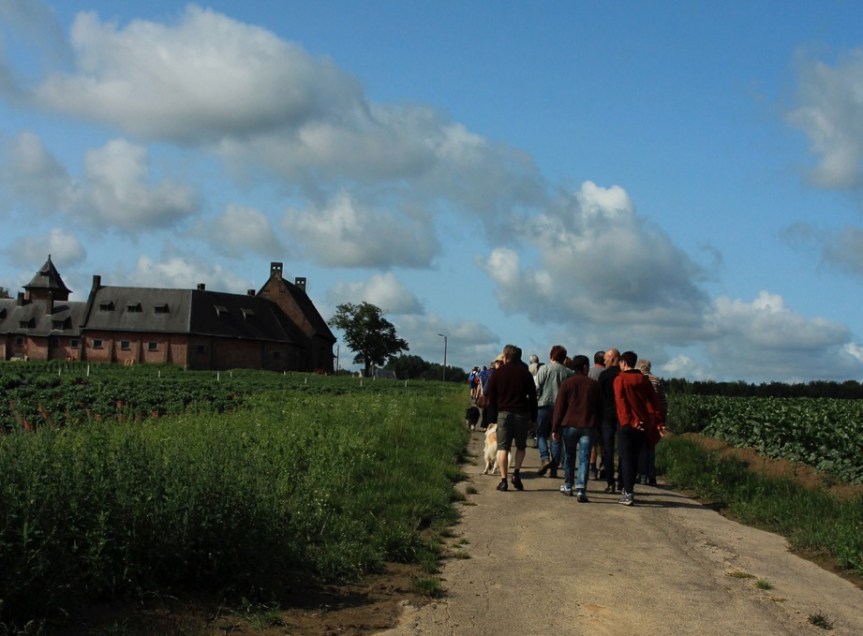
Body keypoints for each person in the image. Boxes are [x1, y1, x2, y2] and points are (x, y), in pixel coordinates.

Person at [484, 344, 538, 492]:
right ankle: (516, 473)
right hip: (521, 413)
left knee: (503, 447)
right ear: (519, 357)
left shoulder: (498, 373)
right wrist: (534, 418)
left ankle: (503, 480)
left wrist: (491, 417)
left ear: (505, 356)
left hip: (503, 413)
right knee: (521, 446)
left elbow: (491, 397)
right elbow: (533, 397)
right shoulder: (525, 374)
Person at [613, 351, 664, 506]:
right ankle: (629, 488)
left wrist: (626, 421)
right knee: (635, 458)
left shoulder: (620, 379)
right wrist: (658, 421)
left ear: (623, 362)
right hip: (643, 423)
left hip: (627, 424)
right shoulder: (644, 380)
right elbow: (655, 401)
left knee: (626, 458)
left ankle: (628, 492)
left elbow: (621, 402)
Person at [551, 354, 603, 502]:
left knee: (569, 456)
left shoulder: (567, 384)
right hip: (588, 425)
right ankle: (581, 488)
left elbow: (559, 407)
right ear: (585, 367)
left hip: (569, 425)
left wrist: (555, 428)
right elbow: (600, 408)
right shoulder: (593, 385)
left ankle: (568, 485)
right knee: (584, 458)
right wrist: (598, 427)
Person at [533, 345, 574, 477]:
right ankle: (554, 468)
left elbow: (536, 386)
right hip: (560, 408)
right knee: (556, 436)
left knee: (540, 434)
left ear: (551, 356)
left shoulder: (544, 369)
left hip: (543, 405)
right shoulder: (569, 373)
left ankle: (545, 457)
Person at [635, 359, 667, 486]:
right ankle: (651, 475)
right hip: (655, 417)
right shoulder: (657, 380)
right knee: (651, 445)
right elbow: (663, 401)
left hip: (643, 415)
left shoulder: (638, 379)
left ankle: (642, 474)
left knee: (641, 446)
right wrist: (662, 420)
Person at [597, 348, 621, 493]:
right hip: (622, 415)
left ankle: (610, 482)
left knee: (608, 449)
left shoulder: (604, 375)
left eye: (606, 358)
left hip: (607, 415)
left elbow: (599, 397)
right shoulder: (622, 374)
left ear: (612, 358)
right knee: (623, 449)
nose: (604, 361)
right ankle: (622, 482)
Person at [587, 350, 606, 478]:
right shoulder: (608, 373)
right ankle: (604, 464)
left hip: (591, 410)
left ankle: (592, 466)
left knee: (593, 441)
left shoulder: (589, 372)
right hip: (605, 410)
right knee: (604, 441)